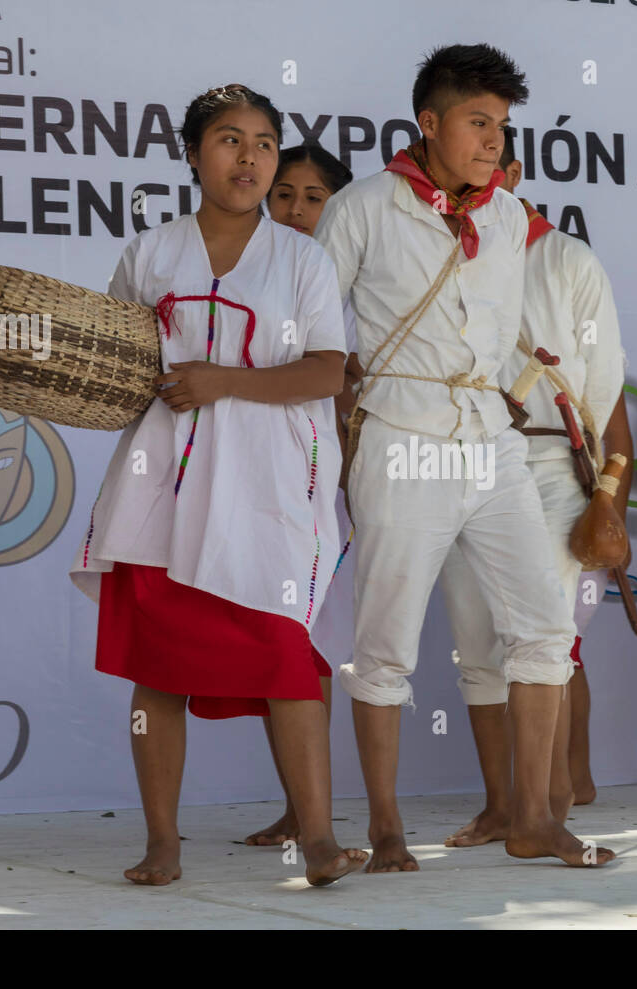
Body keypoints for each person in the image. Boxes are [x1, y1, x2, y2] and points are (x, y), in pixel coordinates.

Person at [314, 43, 613, 870]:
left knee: (545, 628)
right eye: (478, 123)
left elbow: (508, 332)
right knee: (385, 646)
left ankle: (535, 818)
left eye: (503, 126)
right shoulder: (364, 207)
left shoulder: (510, 218)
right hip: (401, 439)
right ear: (430, 122)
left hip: (491, 440)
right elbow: (314, 329)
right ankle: (383, 828)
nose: (494, 141)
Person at [70, 84, 361, 887]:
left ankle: (320, 841)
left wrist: (221, 381)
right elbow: (119, 362)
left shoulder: (303, 257)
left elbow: (327, 370)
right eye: (230, 140)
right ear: (195, 154)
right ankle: (162, 841)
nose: (251, 157)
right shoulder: (151, 253)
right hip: (159, 482)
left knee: (286, 658)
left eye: (265, 143)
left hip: (266, 484)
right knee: (158, 665)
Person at [440, 126, 629, 847]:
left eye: (492, 166)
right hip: (464, 460)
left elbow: (604, 384)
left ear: (513, 172)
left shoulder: (569, 258)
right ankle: (502, 807)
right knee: (474, 642)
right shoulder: (444, 252)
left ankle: (543, 808)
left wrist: (606, 489)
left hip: (550, 466)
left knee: (542, 635)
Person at [244, 144, 362, 850]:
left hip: (342, 489)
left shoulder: (354, 287)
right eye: (284, 193)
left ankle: (320, 815)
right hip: (265, 478)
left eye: (313, 197)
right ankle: (301, 808)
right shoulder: (251, 277)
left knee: (312, 646)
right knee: (282, 642)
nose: (294, 209)